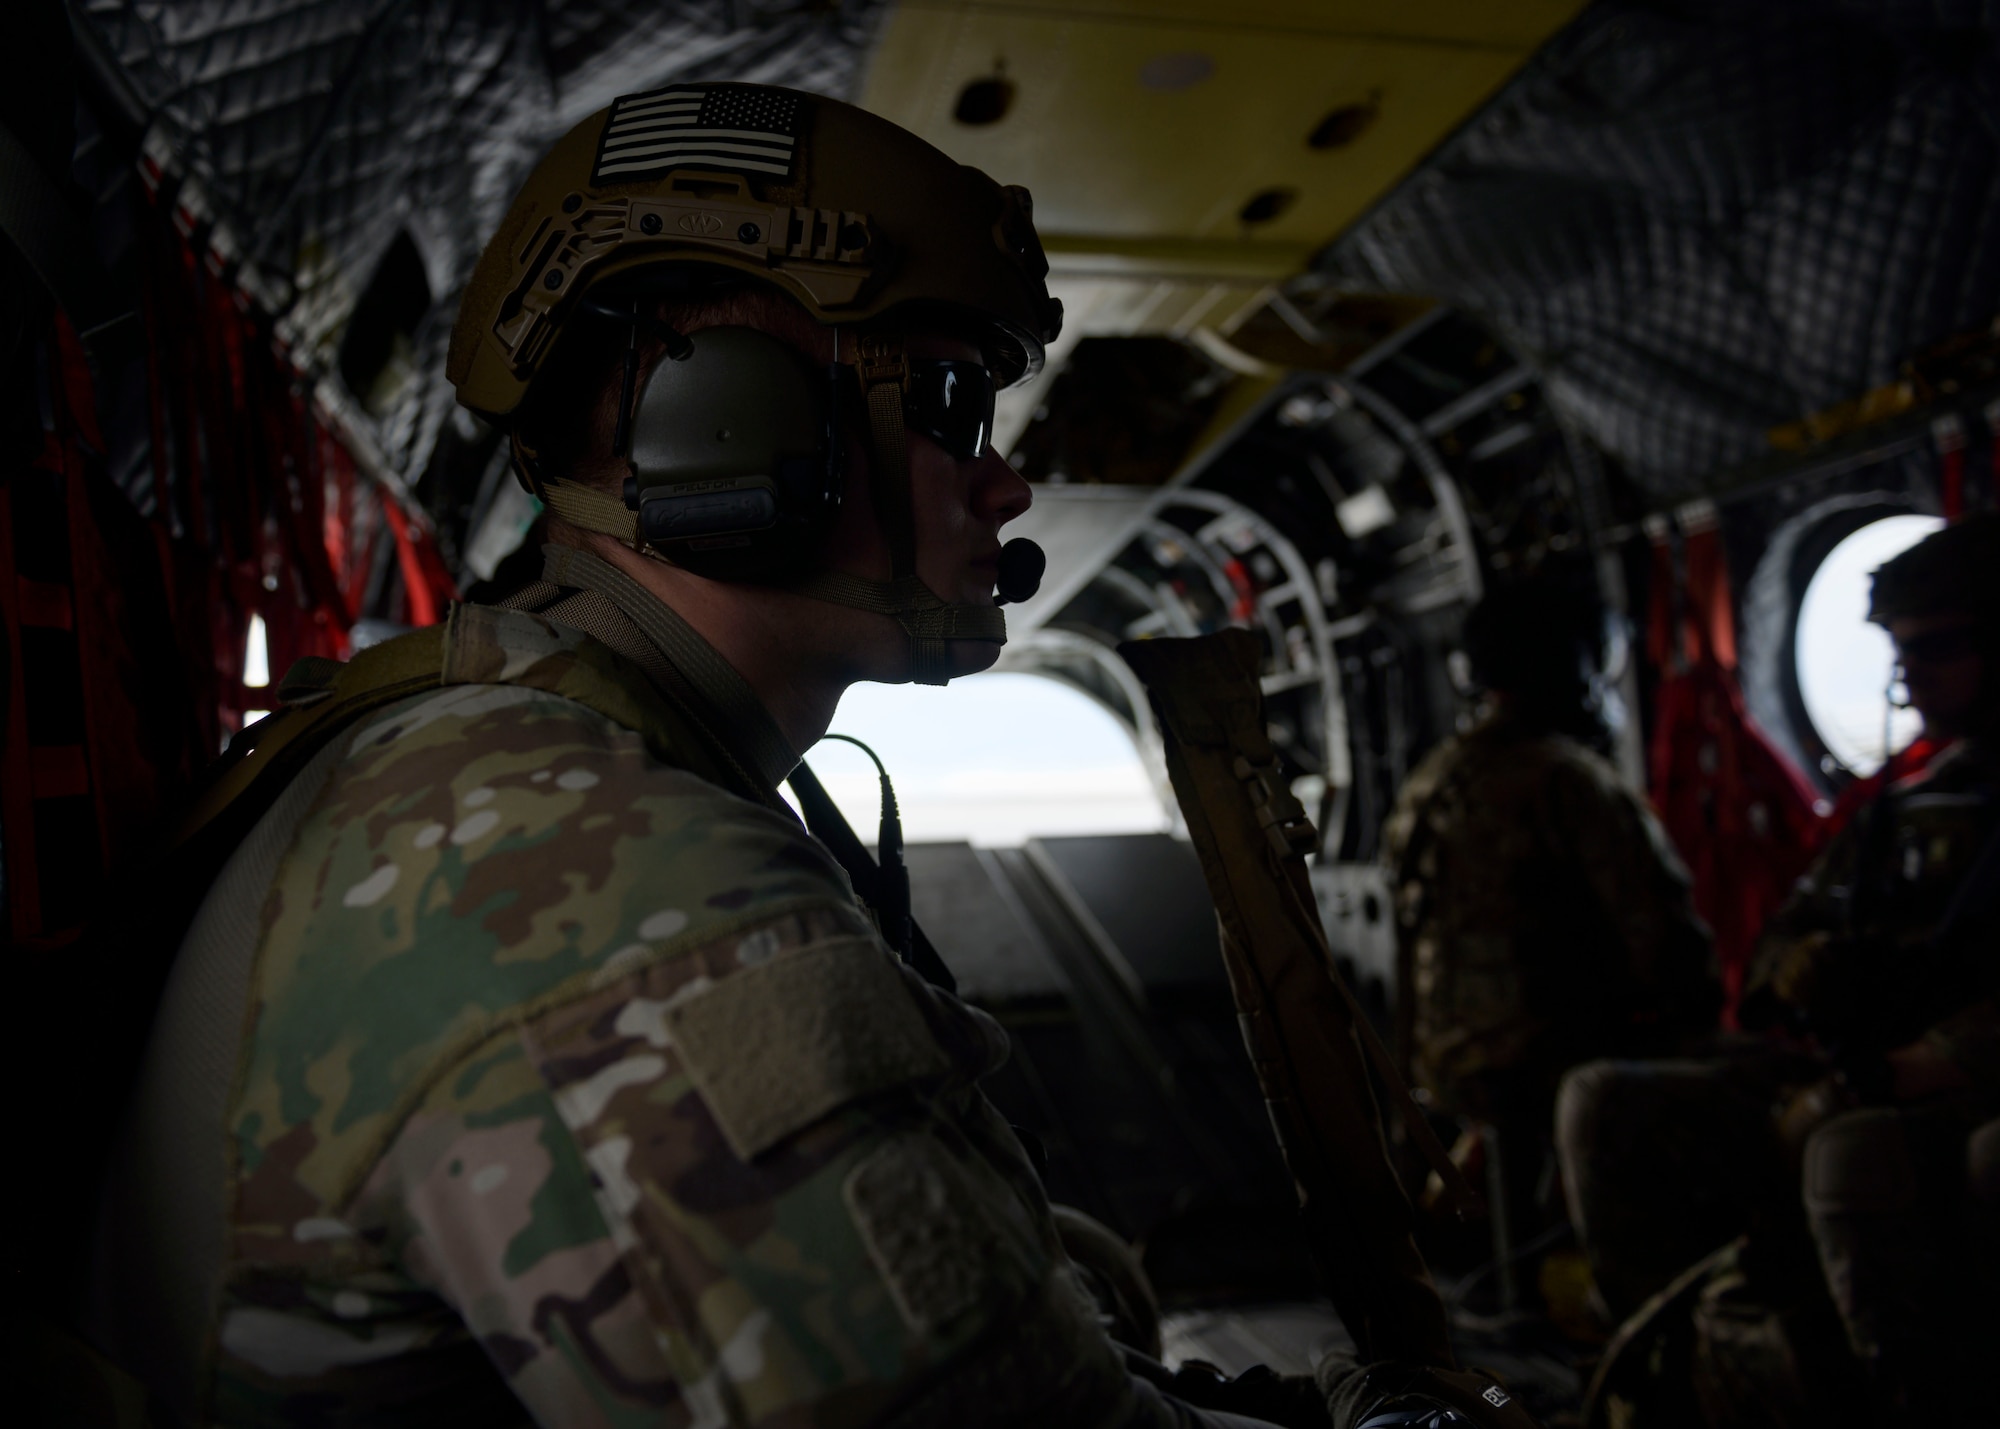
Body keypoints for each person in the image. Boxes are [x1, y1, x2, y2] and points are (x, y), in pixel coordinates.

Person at [74, 83, 1525, 1429]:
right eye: (955, 403)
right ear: (724, 428)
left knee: (1084, 1264)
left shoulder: (504, 746)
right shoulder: (592, 874)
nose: (1010, 477)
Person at [1559, 514, 2000, 1422]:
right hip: (1854, 1059)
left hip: (1948, 1081)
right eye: (1899, 650)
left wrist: (1912, 1064)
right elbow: (1776, 942)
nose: (1908, 674)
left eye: (1941, 647)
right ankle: (1682, 1381)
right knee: (1603, 1098)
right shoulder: (1900, 809)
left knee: (1856, 1153)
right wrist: (1805, 970)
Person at [1382, 579, 1717, 1255]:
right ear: (1579, 666)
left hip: (1446, 1061)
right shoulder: (1570, 779)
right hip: (1547, 1062)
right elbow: (1668, 942)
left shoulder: (1432, 777)